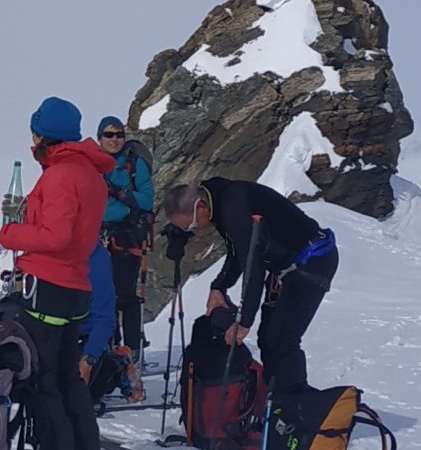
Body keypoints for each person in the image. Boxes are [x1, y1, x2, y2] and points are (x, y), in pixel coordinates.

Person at [0, 97, 114, 450]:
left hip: (48, 287)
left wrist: (11, 234)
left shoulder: (61, 174)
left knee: (45, 383)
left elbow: (57, 236)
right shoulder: (90, 174)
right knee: (69, 381)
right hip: (76, 286)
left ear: (43, 134)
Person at [160, 176, 338, 397]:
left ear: (201, 207)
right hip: (287, 267)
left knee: (283, 340)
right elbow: (237, 251)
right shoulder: (220, 203)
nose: (194, 232)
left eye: (192, 226)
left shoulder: (234, 207)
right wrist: (219, 287)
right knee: (268, 338)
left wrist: (244, 321)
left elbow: (253, 266)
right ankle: (276, 400)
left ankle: (294, 402)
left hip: (313, 261)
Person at [96, 117, 156, 355]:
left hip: (127, 236)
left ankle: (131, 350)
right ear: (100, 138)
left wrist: (123, 195)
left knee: (124, 294)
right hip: (100, 235)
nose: (114, 139)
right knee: (104, 294)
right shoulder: (92, 164)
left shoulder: (134, 162)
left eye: (119, 134)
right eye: (109, 135)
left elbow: (147, 199)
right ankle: (112, 347)